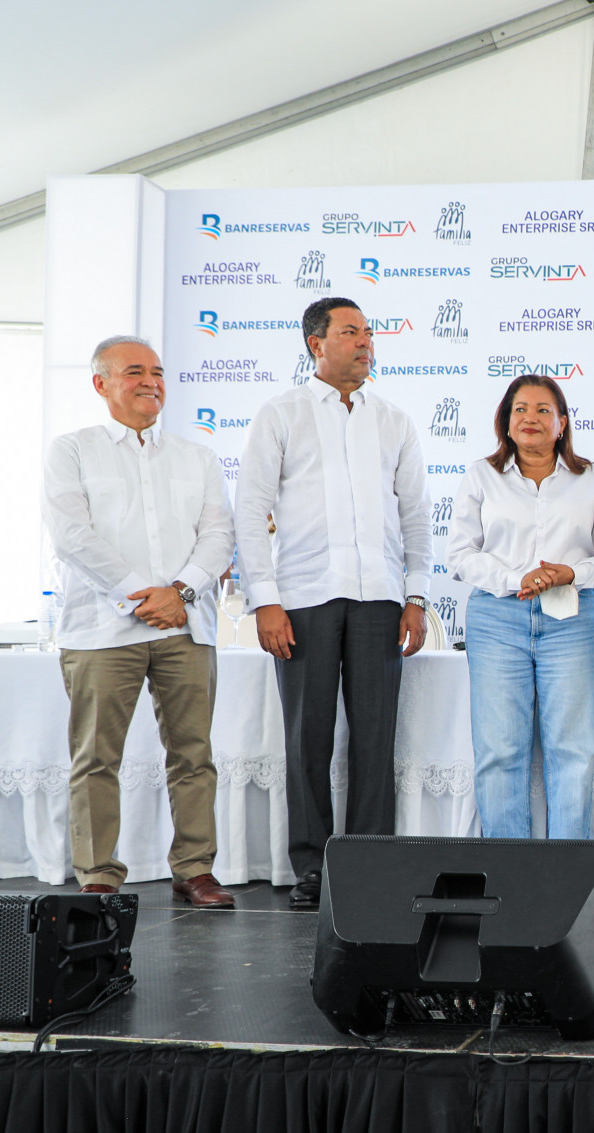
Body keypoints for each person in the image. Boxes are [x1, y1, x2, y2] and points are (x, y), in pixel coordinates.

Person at [236, 297, 430, 910]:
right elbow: (250, 511)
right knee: (307, 739)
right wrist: (265, 601)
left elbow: (416, 516)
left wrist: (416, 596)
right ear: (316, 344)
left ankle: (370, 866)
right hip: (303, 599)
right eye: (351, 332)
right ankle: (313, 868)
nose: (366, 342)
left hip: (380, 600)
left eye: (369, 332)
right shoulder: (281, 414)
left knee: (375, 739)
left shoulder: (394, 420)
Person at [42, 336, 237, 906]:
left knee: (194, 756)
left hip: (185, 625)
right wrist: (140, 595)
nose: (151, 381)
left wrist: (178, 592)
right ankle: (98, 873)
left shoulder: (197, 456)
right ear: (101, 383)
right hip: (100, 631)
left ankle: (195, 870)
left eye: (157, 371)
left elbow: (218, 535)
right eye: (134, 371)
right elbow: (72, 536)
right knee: (96, 759)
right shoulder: (72, 450)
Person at [450, 374, 594, 842]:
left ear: (562, 423)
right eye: (520, 409)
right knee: (499, 752)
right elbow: (459, 555)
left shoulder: (592, 478)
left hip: (572, 618)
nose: (531, 418)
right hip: (496, 620)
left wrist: (571, 573)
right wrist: (514, 578)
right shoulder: (481, 475)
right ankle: (507, 872)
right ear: (506, 421)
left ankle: (568, 873)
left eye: (544, 410)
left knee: (573, 752)